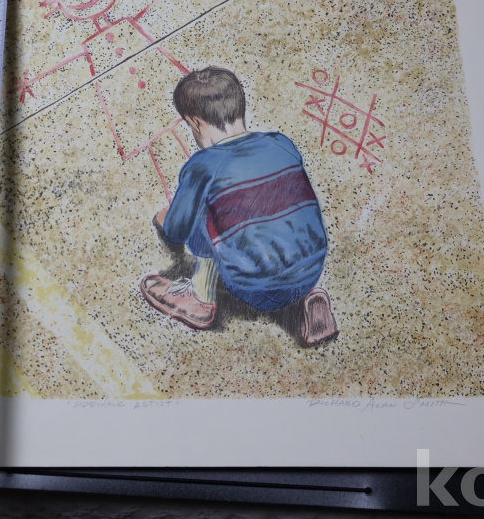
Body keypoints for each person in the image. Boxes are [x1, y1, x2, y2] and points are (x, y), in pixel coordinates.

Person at [141, 66, 338, 346]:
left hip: (252, 288)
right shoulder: (281, 143)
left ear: (195, 122)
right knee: (277, 204)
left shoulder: (204, 165)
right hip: (310, 272)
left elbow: (177, 230)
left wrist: (169, 219)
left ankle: (199, 297)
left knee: (204, 209)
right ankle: (308, 299)